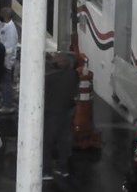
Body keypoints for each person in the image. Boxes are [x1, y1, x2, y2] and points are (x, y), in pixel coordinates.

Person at [42, 50, 78, 179]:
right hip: (67, 112)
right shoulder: (73, 76)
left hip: (52, 113)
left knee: (47, 142)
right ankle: (62, 168)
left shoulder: (49, 78)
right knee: (64, 141)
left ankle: (46, 171)